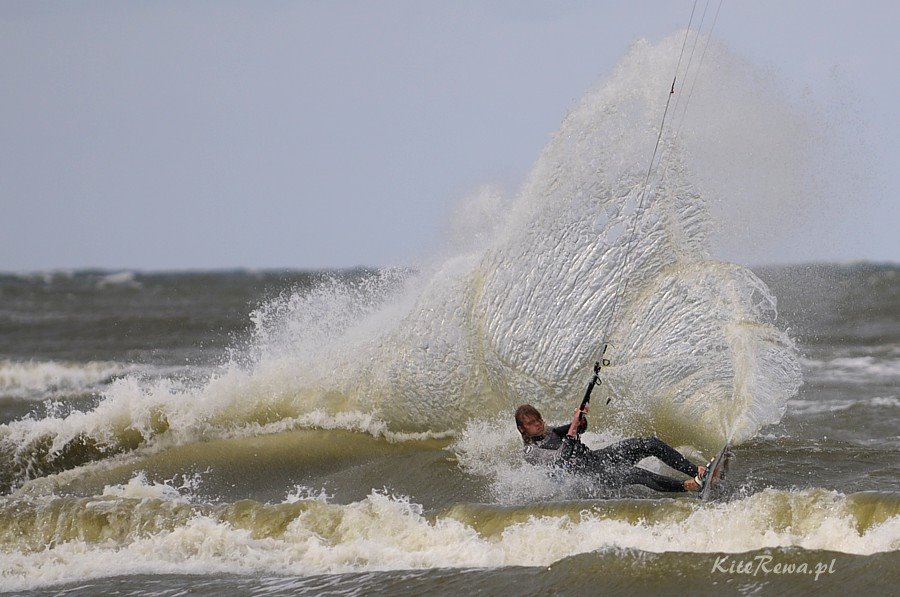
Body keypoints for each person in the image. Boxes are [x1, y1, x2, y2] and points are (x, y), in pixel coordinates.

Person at [515, 403, 707, 492]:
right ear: (522, 429)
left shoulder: (548, 431)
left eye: (538, 419)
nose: (538, 424)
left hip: (597, 459)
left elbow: (581, 427)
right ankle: (687, 486)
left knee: (648, 442)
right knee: (635, 473)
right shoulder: (530, 452)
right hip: (591, 478)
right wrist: (574, 427)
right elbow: (560, 458)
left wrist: (580, 418)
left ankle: (695, 471)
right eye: (532, 423)